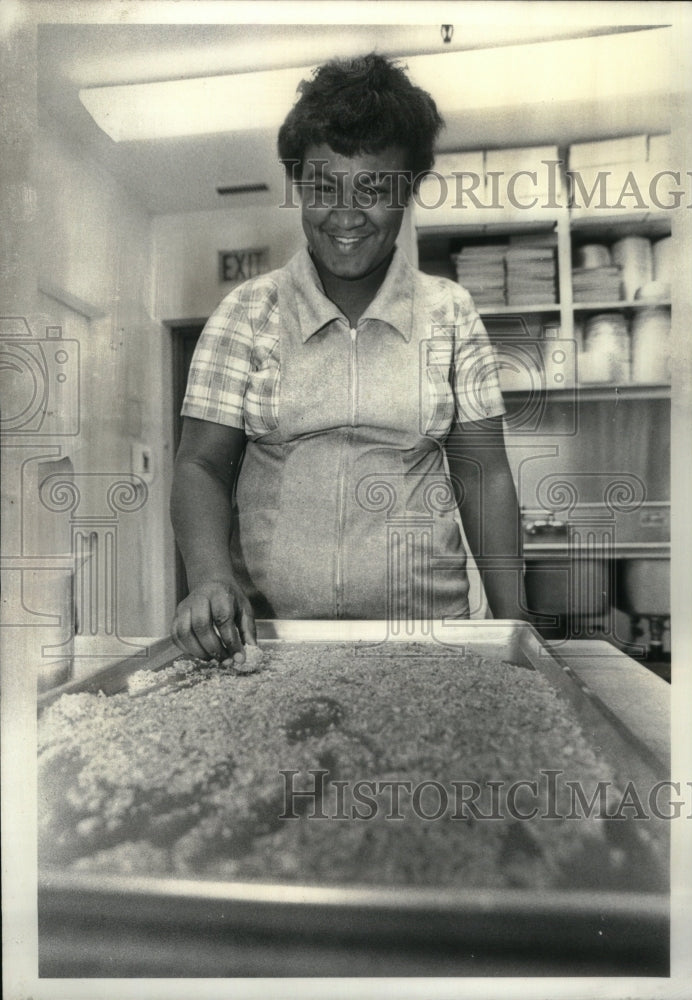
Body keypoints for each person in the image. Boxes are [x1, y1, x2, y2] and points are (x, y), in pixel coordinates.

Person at [170, 54, 525, 665]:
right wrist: (207, 576)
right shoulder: (244, 315)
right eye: (323, 186)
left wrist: (515, 628)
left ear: (408, 190)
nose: (346, 214)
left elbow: (484, 474)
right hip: (272, 645)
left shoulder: (452, 313)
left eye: (373, 188)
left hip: (429, 643)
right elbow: (200, 465)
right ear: (298, 188)